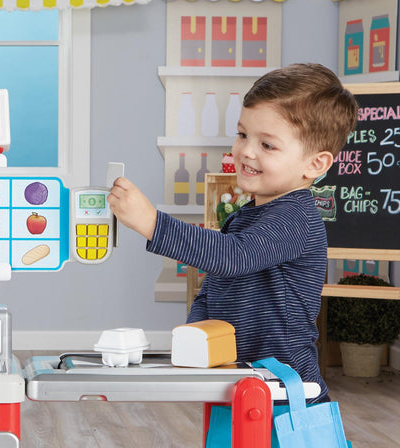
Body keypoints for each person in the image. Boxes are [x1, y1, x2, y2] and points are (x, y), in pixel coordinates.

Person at [107, 63, 358, 402]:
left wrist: (152, 222)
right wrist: (194, 339)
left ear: (314, 164)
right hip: (242, 381)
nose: (245, 151)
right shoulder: (244, 218)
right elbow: (212, 291)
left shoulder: (297, 218)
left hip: (288, 389)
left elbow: (232, 256)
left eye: (267, 145)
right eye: (242, 135)